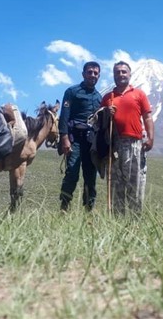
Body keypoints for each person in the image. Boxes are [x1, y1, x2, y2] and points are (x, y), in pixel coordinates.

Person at [101, 61, 154, 215]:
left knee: (135, 183)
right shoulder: (107, 97)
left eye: (124, 71)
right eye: (117, 72)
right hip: (114, 145)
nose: (121, 74)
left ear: (130, 74)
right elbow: (99, 122)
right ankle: (116, 220)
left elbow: (147, 117)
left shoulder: (139, 94)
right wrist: (106, 112)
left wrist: (150, 138)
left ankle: (134, 221)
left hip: (135, 143)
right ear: (113, 75)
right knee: (116, 184)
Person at [58, 61, 103, 212]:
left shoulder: (99, 97)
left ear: (99, 76)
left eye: (95, 73)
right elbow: (64, 116)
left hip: (91, 143)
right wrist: (64, 138)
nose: (92, 75)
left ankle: (88, 212)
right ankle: (64, 208)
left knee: (90, 178)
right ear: (83, 74)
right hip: (74, 139)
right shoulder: (72, 92)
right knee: (72, 173)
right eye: (89, 72)